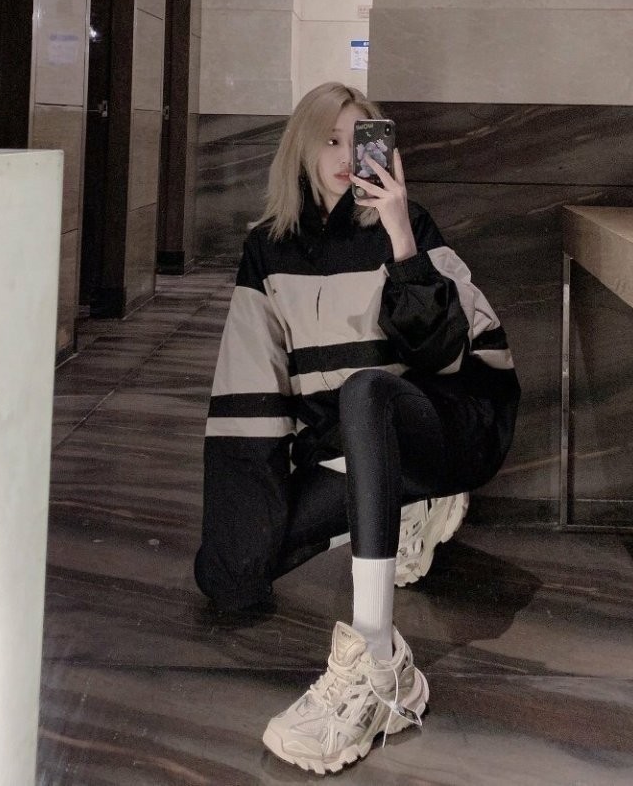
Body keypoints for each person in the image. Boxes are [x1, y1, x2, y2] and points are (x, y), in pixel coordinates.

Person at [194, 82, 520, 775]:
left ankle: (378, 658)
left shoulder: (409, 222)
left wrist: (401, 235)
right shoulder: (268, 250)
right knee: (231, 574)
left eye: (361, 139)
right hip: (348, 449)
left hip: (447, 424)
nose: (346, 157)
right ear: (302, 149)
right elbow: (250, 390)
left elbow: (446, 356)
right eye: (331, 140)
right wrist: (240, 528)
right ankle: (398, 504)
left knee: (368, 390)